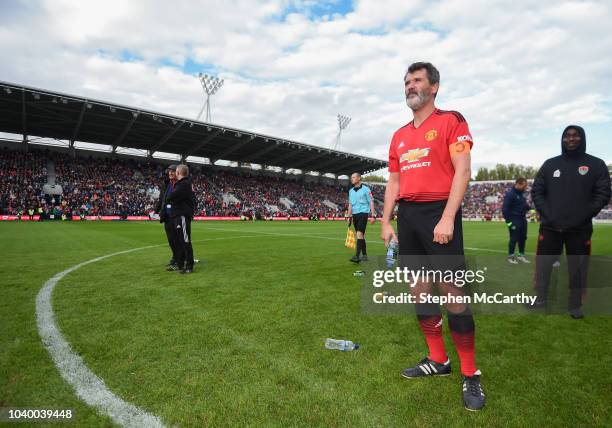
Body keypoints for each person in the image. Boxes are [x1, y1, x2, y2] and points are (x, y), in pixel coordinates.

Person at [381, 62, 484, 411]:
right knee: (420, 290)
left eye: (417, 80)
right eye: (407, 82)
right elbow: (393, 183)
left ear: (434, 87)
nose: (410, 86)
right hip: (408, 217)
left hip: (439, 213)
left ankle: (471, 373)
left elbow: (463, 170)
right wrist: (385, 221)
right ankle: (438, 360)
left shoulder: (451, 121)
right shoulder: (398, 136)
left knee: (453, 294)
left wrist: (448, 217)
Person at [530, 125, 611, 319]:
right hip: (550, 227)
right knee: (544, 266)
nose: (571, 139)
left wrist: (583, 215)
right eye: (567, 136)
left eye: (575, 135)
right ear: (562, 139)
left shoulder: (596, 164)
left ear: (582, 138)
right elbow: (537, 191)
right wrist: (548, 214)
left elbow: (603, 194)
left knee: (578, 268)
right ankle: (540, 299)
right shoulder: (550, 165)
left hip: (580, 229)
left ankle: (575, 305)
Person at [167, 164, 196, 274]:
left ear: (178, 172)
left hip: (182, 215)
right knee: (181, 241)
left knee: (185, 240)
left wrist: (171, 199)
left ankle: (189, 265)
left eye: (175, 171)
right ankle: (182, 264)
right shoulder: (182, 184)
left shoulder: (184, 184)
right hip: (178, 215)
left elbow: (171, 197)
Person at [155, 165, 181, 271]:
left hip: (177, 216)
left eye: (173, 171)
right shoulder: (166, 184)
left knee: (178, 240)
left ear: (178, 173)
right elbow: (162, 199)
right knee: (171, 240)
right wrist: (156, 210)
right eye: (169, 171)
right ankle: (175, 258)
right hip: (167, 217)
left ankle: (179, 260)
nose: (170, 173)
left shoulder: (181, 184)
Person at [347, 172, 375, 263]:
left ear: (359, 178)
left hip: (363, 213)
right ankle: (365, 256)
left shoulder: (366, 189)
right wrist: (349, 216)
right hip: (354, 215)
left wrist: (373, 215)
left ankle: (357, 256)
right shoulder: (350, 191)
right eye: (351, 177)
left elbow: (371, 202)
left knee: (359, 234)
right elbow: (350, 204)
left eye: (353, 177)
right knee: (360, 236)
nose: (352, 179)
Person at [502, 177, 530, 264]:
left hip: (522, 219)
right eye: (524, 186)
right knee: (513, 238)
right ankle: (511, 257)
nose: (525, 187)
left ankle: (521, 255)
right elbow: (505, 209)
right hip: (514, 220)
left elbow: (524, 204)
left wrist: (530, 208)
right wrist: (509, 223)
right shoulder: (510, 194)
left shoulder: (522, 193)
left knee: (523, 238)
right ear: (518, 184)